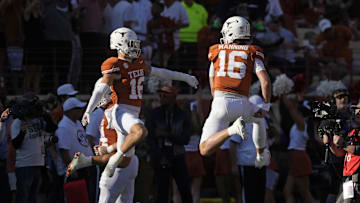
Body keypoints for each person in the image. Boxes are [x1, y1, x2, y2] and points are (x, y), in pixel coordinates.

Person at [67, 27, 198, 203]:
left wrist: (184, 77)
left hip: (127, 123)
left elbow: (159, 71)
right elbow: (101, 87)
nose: (135, 47)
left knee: (128, 160)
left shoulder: (138, 62)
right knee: (140, 133)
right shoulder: (114, 64)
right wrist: (89, 110)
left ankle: (92, 160)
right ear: (119, 45)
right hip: (120, 110)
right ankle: (102, 160)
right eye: (131, 43)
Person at [199, 16, 272, 169]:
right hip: (243, 102)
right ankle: (260, 154)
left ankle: (232, 129)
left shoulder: (216, 51)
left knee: (204, 149)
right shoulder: (253, 51)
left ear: (229, 33)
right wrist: (266, 106)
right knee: (259, 120)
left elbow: (212, 82)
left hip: (221, 102)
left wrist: (218, 100)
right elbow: (265, 81)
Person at [146, 85, 193, 203]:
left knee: (185, 191)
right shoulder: (153, 114)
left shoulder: (182, 115)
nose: (161, 98)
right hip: (160, 155)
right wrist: (158, 157)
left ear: (173, 97)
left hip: (178, 156)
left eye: (165, 95)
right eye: (160, 95)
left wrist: (167, 135)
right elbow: (150, 138)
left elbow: (185, 139)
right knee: (162, 193)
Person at [230, 95, 270, 203]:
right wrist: (233, 165)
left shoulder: (263, 120)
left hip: (261, 163)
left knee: (260, 195)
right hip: (247, 163)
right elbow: (233, 143)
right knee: (249, 196)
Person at [55, 97, 96, 203]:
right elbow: (64, 150)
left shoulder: (77, 123)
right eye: (78, 108)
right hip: (76, 170)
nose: (81, 110)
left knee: (87, 197)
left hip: (85, 166)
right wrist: (71, 168)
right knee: (75, 199)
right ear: (70, 111)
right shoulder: (63, 127)